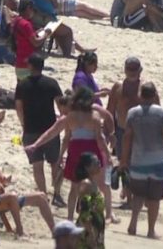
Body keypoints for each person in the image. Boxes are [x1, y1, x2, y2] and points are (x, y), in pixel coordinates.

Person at [25, 88, 111, 222]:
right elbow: (100, 139)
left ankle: (70, 217)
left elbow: (52, 132)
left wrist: (36, 144)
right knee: (97, 185)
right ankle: (99, 215)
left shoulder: (69, 117)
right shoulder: (94, 116)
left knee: (74, 187)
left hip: (75, 151)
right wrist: (108, 155)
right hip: (91, 151)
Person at [0, 136, 56, 237]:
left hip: (0, 197)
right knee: (12, 197)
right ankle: (20, 231)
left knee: (41, 196)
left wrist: (2, 178)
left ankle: (56, 232)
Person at [120, 81, 163, 240]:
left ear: (140, 95)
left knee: (138, 194)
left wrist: (124, 160)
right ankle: (151, 231)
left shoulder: (132, 113)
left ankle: (133, 224)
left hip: (138, 160)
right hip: (157, 161)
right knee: (154, 198)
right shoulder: (162, 113)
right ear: (154, 95)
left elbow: (127, 138)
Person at [15, 53, 66, 208]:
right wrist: (61, 120)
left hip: (31, 129)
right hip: (50, 128)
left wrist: (23, 124)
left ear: (30, 66)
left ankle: (43, 195)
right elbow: (61, 104)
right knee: (55, 163)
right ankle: (57, 193)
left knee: (37, 165)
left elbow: (18, 107)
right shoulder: (51, 83)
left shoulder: (22, 84)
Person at [12, 0, 52, 82]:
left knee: (21, 90)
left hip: (19, 62)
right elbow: (36, 42)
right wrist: (46, 35)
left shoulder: (17, 21)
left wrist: (35, 33)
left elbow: (24, 36)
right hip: (27, 65)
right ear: (28, 8)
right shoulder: (26, 24)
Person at [73, 152, 106, 249]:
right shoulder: (86, 184)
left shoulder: (93, 183)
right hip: (88, 230)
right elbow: (83, 211)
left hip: (96, 230)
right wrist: (90, 234)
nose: (99, 164)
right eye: (96, 163)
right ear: (87, 167)